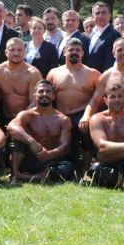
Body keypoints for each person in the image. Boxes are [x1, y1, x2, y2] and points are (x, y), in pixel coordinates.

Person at [46, 38, 101, 175]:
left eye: (77, 50)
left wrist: (87, 116)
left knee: (87, 130)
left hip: (82, 115)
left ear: (82, 53)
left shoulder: (93, 74)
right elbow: (46, 96)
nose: (74, 52)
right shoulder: (54, 73)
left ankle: (85, 170)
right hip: (60, 115)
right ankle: (53, 166)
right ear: (64, 52)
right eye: (71, 50)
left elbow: (99, 98)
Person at [7, 80, 74, 183]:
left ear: (53, 96)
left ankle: (27, 177)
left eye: (48, 91)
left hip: (50, 161)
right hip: (29, 159)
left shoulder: (63, 120)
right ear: (35, 95)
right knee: (16, 138)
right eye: (41, 91)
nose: (44, 94)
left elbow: (65, 145)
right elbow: (11, 127)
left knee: (67, 168)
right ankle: (15, 174)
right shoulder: (27, 115)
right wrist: (31, 142)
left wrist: (49, 154)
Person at [0, 37, 43, 126]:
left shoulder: (33, 73)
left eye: (19, 50)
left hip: (27, 120)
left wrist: (19, 120)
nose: (16, 53)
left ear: (25, 52)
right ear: (6, 52)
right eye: (12, 50)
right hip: (2, 118)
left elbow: (35, 101)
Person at [84, 1, 120, 72]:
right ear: (93, 16)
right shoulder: (92, 33)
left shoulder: (114, 35)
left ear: (109, 16)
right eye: (97, 13)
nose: (100, 16)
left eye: (104, 13)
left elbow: (110, 63)